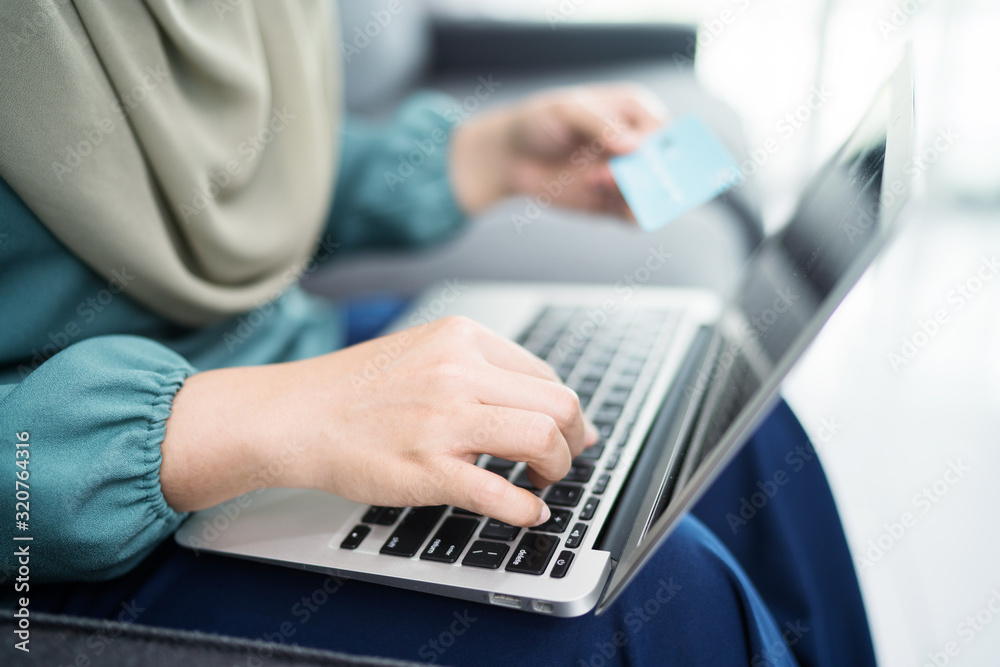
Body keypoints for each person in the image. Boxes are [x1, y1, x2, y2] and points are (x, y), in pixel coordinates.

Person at [0, 2, 876, 665]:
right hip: (76, 527)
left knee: (728, 414)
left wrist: (487, 156)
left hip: (293, 353)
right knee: (658, 599)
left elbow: (229, 184)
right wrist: (234, 425)